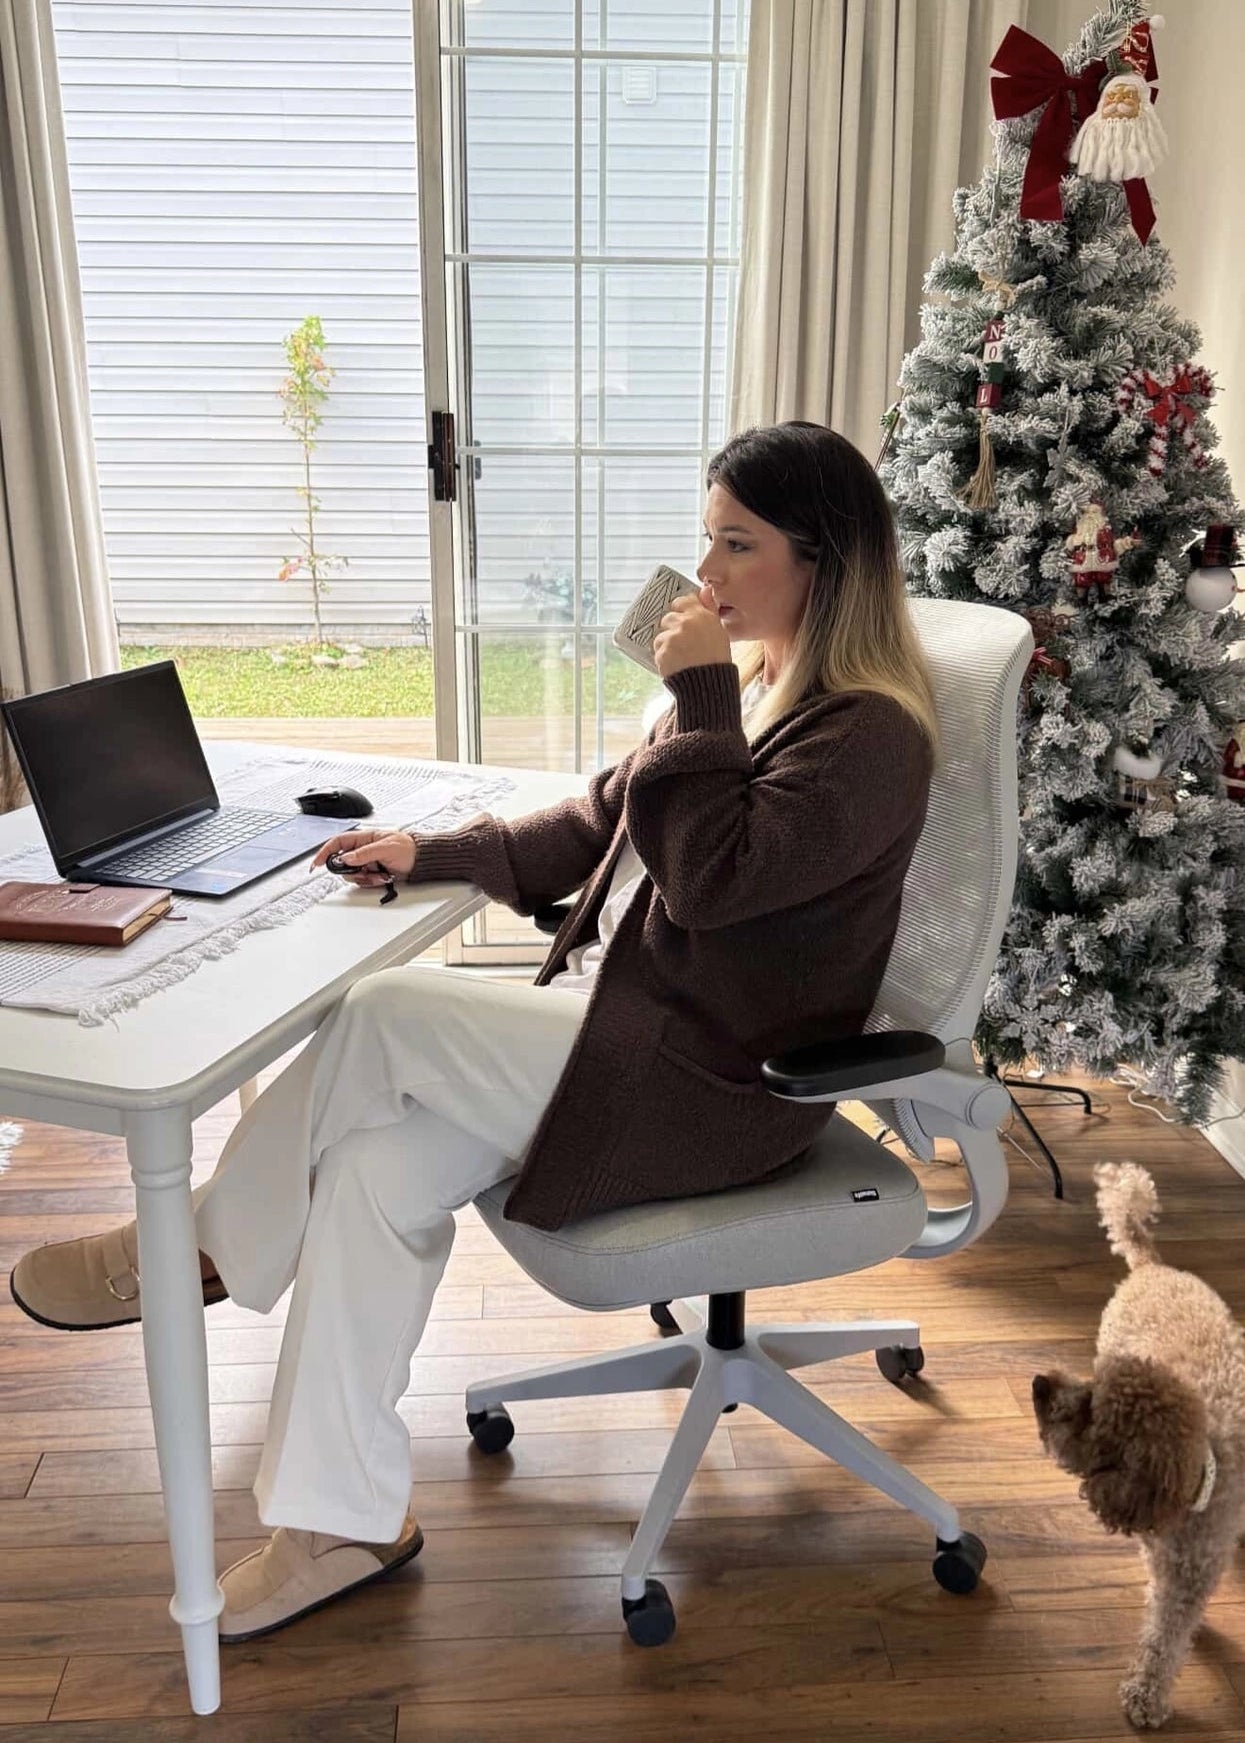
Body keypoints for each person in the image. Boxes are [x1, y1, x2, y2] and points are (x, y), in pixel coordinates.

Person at [10, 421, 938, 1640]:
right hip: (622, 1039)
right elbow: (593, 824)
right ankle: (342, 1521)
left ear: (823, 562)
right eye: (706, 536)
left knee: (384, 1009)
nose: (704, 571)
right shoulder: (762, 690)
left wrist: (700, 689)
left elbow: (712, 877)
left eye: (736, 543)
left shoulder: (871, 736)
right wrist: (429, 852)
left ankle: (195, 1246)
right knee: (370, 1175)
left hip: (713, 1093)